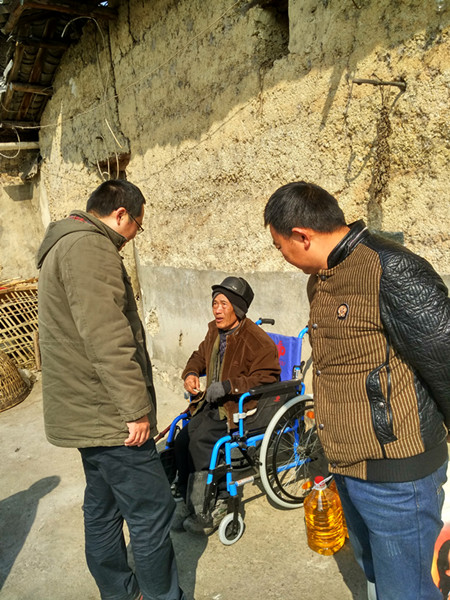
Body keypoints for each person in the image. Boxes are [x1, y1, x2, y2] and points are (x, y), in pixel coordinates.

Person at [264, 181, 450, 600]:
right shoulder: (320, 280)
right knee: (377, 580)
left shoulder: (389, 268)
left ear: (301, 236)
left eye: (280, 246)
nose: (282, 256)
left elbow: (445, 356)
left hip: (398, 477)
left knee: (408, 592)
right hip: (348, 468)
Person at [37, 179, 185, 600]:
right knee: (152, 510)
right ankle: (161, 595)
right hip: (109, 415)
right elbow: (108, 339)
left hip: (86, 412)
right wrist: (135, 410)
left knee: (102, 508)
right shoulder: (89, 247)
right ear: (121, 214)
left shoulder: (63, 243)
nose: (135, 234)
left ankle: (119, 592)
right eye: (138, 224)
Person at [173, 276, 281, 534]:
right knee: (182, 440)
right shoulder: (215, 331)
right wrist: (191, 373)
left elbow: (268, 377)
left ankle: (216, 503)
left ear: (238, 308)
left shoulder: (257, 341)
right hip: (213, 406)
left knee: (201, 442)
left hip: (240, 410)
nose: (217, 310)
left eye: (223, 304)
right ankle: (189, 499)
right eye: (215, 303)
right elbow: (199, 356)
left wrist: (229, 386)